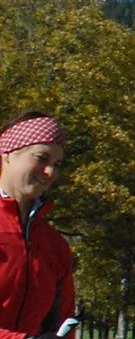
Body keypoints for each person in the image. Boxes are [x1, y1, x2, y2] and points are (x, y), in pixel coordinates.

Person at [0, 112, 76, 339]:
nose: (50, 172)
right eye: (42, 158)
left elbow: (63, 323)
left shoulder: (55, 245)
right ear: (8, 154)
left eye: (57, 164)